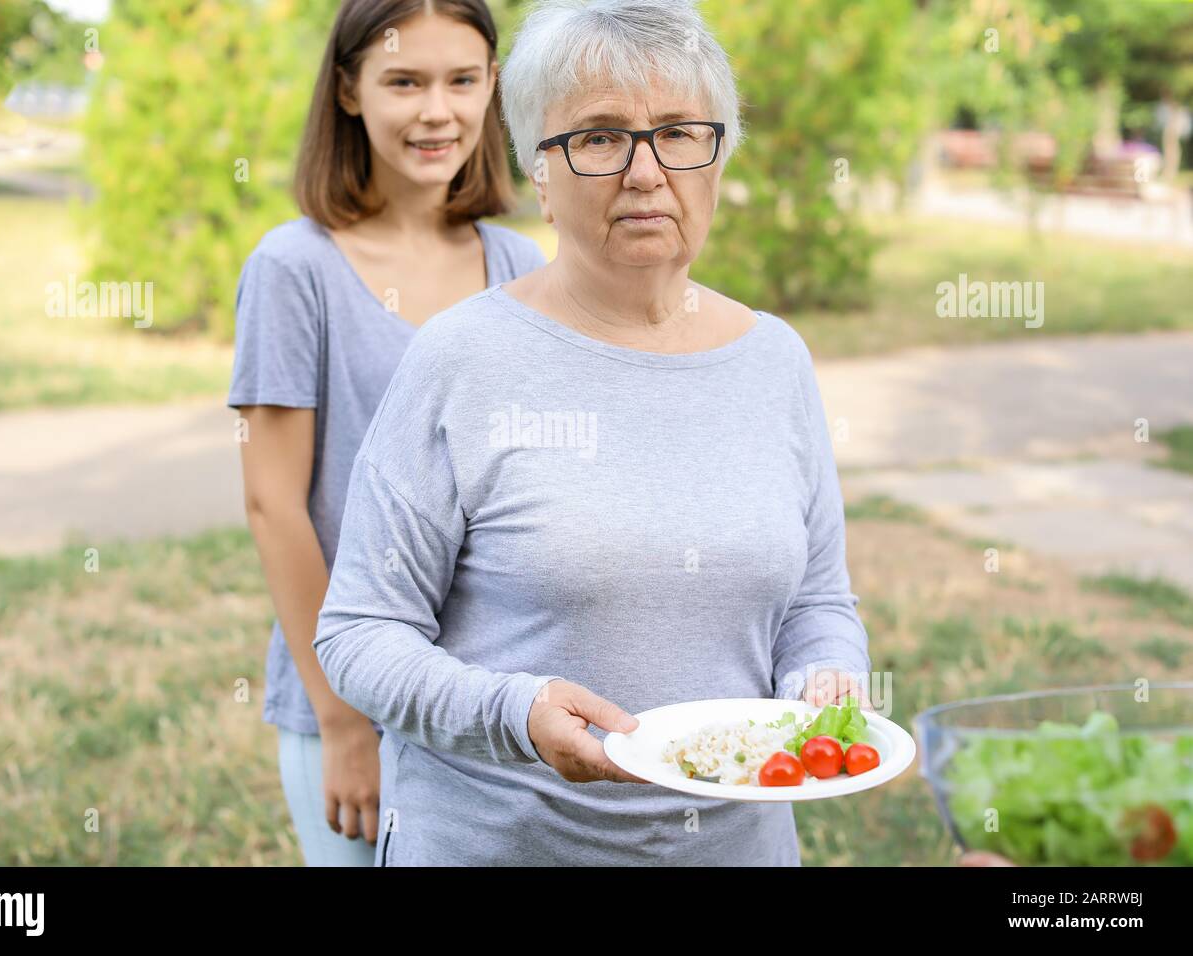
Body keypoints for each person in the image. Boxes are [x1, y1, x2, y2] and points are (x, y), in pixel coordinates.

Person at [314, 0, 872, 866]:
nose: (647, 172)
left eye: (681, 132)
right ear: (538, 169)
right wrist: (514, 716)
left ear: (720, 156)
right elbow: (357, 633)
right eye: (600, 137)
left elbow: (817, 605)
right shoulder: (462, 358)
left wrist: (823, 682)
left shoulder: (776, 361)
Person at [228, 0, 548, 866]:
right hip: (355, 706)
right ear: (347, 91)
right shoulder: (295, 270)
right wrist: (344, 721)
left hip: (488, 703)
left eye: (462, 80)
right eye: (404, 81)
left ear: (492, 92)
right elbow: (273, 504)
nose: (436, 111)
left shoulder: (521, 268)